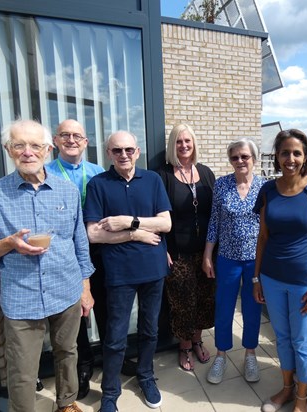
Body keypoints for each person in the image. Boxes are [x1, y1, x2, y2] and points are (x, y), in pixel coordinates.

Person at [0, 119, 94, 412]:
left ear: (48, 149)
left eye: (35, 145)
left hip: (66, 290)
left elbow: (79, 243)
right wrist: (7, 244)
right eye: (19, 145)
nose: (27, 152)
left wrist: (85, 287)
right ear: (8, 149)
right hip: (21, 298)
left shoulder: (66, 191)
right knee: (22, 369)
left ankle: (66, 403)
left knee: (67, 351)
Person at [83, 131, 172, 411]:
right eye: (117, 150)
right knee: (115, 335)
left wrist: (127, 222)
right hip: (119, 273)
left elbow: (166, 224)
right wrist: (137, 234)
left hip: (153, 269)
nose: (124, 155)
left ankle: (146, 375)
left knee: (150, 329)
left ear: (138, 151)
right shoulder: (99, 184)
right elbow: (93, 234)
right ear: (109, 153)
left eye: (129, 150)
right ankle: (110, 393)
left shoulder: (153, 180)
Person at [253, 129, 307, 412]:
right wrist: (256, 278)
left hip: (305, 279)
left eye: (297, 153)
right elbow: (263, 237)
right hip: (271, 277)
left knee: (302, 339)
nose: (290, 158)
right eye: (285, 152)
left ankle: (303, 396)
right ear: (276, 156)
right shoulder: (267, 190)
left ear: (305, 157)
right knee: (283, 336)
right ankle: (287, 388)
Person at [46, 119, 105, 400]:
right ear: (56, 141)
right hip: (64, 254)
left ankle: (110, 354)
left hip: (99, 249)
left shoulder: (99, 173)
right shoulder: (45, 173)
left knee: (105, 304)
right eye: (65, 135)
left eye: (77, 136)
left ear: (86, 142)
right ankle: (83, 365)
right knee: (75, 312)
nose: (71, 140)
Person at [203, 138, 265, 384]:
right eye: (235, 157)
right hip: (227, 258)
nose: (240, 161)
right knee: (224, 306)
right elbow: (214, 221)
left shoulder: (265, 186)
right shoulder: (221, 185)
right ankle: (221, 354)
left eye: (245, 157)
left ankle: (250, 353)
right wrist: (208, 254)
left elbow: (269, 226)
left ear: (254, 159)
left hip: (255, 260)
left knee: (252, 308)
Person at [158, 124, 215, 372]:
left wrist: (212, 252)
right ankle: (183, 346)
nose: (183, 146)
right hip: (177, 252)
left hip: (207, 251)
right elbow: (156, 214)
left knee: (204, 297)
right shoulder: (163, 175)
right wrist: (163, 248)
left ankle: (197, 340)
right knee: (182, 301)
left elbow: (215, 213)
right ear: (173, 145)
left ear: (194, 144)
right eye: (179, 141)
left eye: (188, 141)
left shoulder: (205, 172)